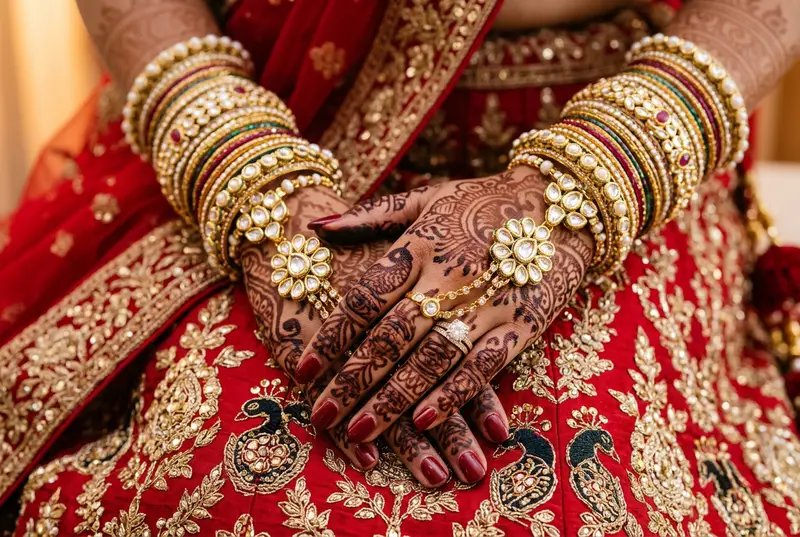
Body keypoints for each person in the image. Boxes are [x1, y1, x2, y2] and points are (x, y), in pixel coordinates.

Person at [1, 0, 799, 535]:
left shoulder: (604, 175)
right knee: (210, 480)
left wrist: (588, 183)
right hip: (279, 119)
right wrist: (250, 182)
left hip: (621, 145)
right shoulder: (256, 175)